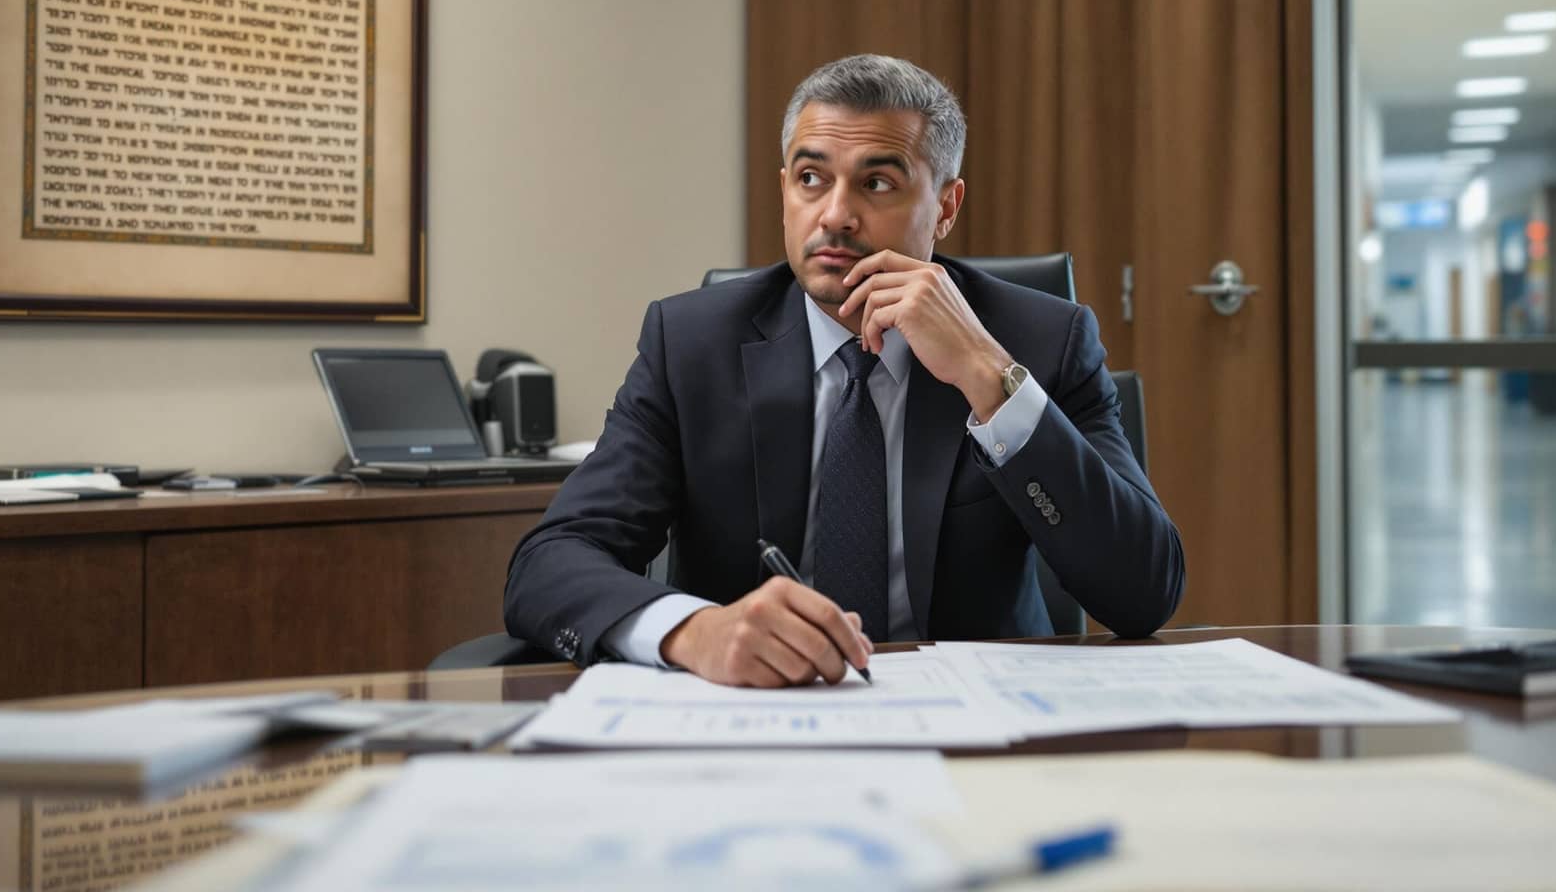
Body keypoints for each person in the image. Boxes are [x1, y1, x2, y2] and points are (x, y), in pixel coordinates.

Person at [503, 54, 1183, 686]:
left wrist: (989, 377)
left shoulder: (1041, 340)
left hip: (979, 726)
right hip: (758, 720)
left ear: (946, 206)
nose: (835, 214)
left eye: (877, 182)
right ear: (784, 193)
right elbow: (550, 565)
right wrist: (693, 629)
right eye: (810, 178)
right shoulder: (691, 347)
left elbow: (1143, 593)